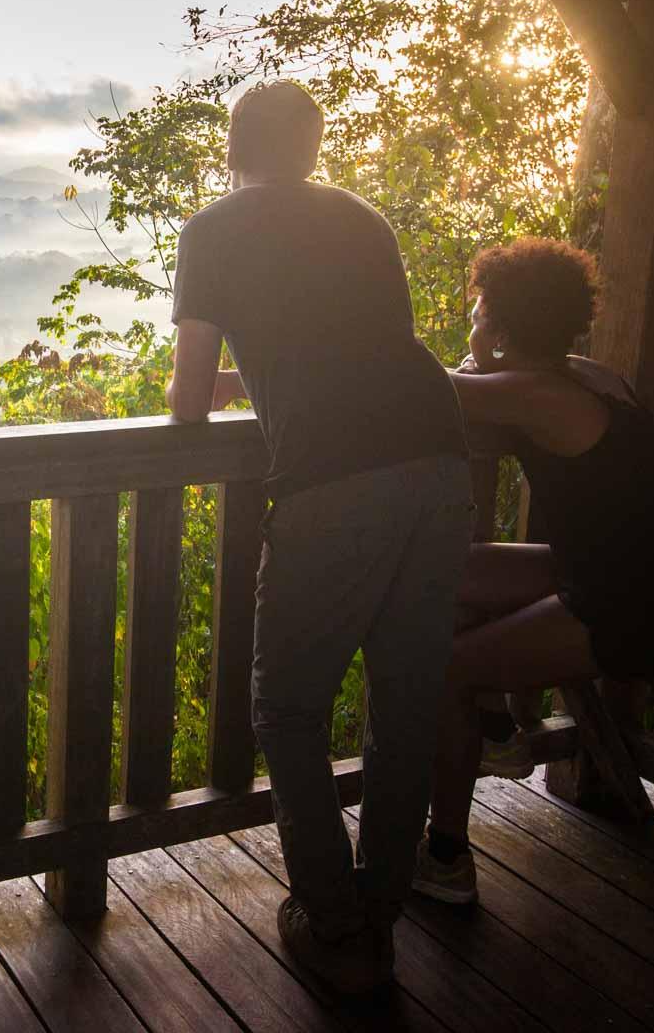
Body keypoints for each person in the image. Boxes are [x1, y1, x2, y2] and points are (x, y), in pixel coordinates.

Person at [167, 81, 470, 995]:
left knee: (288, 708)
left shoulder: (211, 229)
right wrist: (250, 386)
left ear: (234, 145)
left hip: (334, 482)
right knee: (406, 698)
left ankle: (333, 920)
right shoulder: (360, 218)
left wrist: (207, 397)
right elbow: (354, 350)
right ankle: (377, 906)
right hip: (440, 456)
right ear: (311, 145)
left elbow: (185, 400)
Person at [412, 237, 654, 905]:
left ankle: (445, 855)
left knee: (446, 667)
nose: (472, 320)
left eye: (478, 310)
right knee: (443, 575)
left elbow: (416, 388)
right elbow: (473, 378)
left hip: (639, 605)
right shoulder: (586, 376)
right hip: (630, 572)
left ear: (502, 326)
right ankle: (496, 732)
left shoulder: (534, 395)